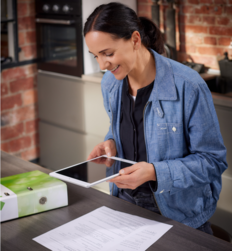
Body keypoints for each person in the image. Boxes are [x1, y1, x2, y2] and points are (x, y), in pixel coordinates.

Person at [84, 2, 227, 235]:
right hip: (123, 204)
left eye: (108, 54)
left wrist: (154, 172)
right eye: (96, 56)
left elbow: (213, 162)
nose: (102, 65)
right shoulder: (110, 82)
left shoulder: (188, 86)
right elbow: (123, 127)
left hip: (179, 217)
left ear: (135, 40)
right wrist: (111, 143)